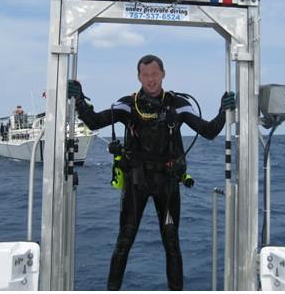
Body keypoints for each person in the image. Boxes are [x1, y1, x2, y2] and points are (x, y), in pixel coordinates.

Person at [68, 54, 235, 290]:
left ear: (163, 74)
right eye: (145, 75)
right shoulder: (127, 104)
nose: (150, 79)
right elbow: (94, 122)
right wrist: (79, 100)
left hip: (167, 183)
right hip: (136, 181)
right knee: (124, 241)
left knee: (172, 244)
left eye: (155, 74)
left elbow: (208, 131)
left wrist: (223, 112)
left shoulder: (178, 105)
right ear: (139, 77)